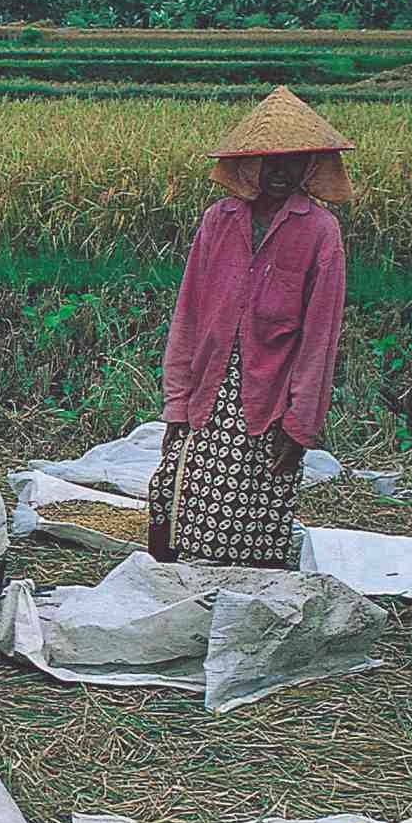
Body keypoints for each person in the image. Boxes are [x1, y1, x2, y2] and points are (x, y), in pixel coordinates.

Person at [152, 86, 351, 569]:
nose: (279, 174)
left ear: (310, 167)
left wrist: (300, 424)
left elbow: (319, 338)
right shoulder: (218, 221)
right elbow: (189, 315)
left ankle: (238, 613)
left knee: (252, 522)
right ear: (246, 165)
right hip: (207, 387)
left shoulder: (318, 231)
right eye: (268, 161)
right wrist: (177, 402)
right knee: (170, 498)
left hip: (271, 397)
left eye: (292, 162)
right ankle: (174, 594)